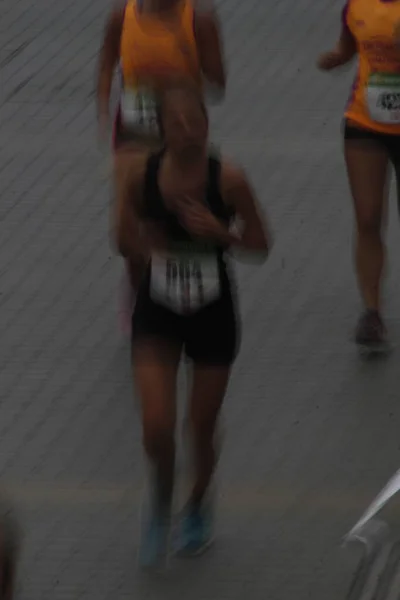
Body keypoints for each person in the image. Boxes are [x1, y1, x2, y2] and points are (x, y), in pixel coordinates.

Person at [116, 82, 271, 567]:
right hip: (158, 311)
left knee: (200, 427)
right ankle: (161, 504)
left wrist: (220, 233)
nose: (189, 133)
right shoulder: (141, 177)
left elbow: (262, 244)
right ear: (161, 131)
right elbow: (122, 240)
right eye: (178, 125)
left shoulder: (228, 179)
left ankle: (198, 504)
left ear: (208, 125)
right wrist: (149, 248)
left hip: (212, 312)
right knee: (156, 428)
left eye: (197, 123)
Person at [96, 0, 226, 332]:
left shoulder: (198, 20)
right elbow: (106, 65)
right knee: (128, 225)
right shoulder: (121, 17)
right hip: (133, 136)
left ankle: (173, 296)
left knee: (170, 219)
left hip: (181, 140)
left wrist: (185, 66)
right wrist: (101, 112)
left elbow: (218, 82)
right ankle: (137, 285)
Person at [317, 0, 400, 353]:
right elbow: (348, 45)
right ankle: (371, 312)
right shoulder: (355, 6)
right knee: (367, 218)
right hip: (365, 122)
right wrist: (335, 57)